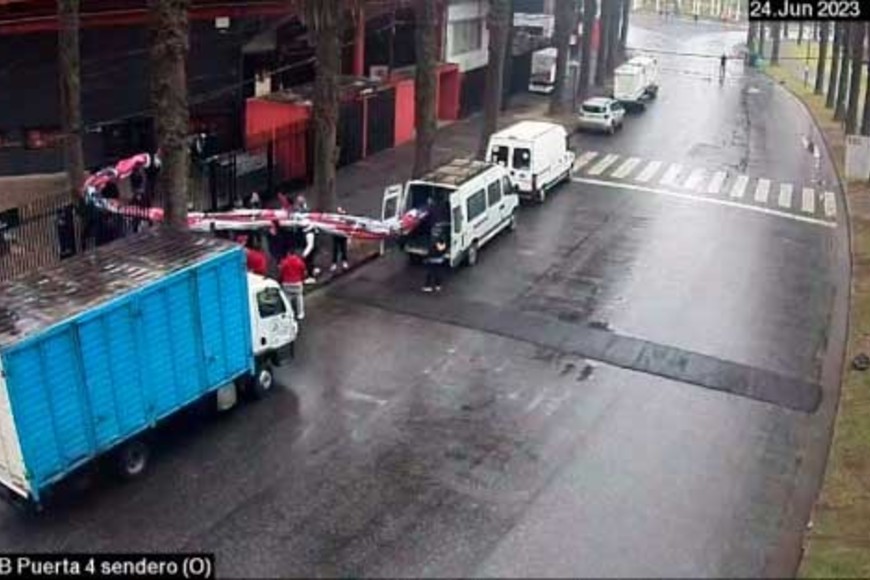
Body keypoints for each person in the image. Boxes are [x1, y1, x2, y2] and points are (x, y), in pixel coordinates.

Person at [279, 249, 307, 320]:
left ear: (288, 253)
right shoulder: (299, 261)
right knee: (299, 297)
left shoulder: (284, 262)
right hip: (297, 282)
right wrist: (302, 280)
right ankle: (300, 313)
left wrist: (281, 280)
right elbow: (303, 272)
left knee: (288, 299)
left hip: (287, 283)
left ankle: (290, 314)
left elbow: (281, 271)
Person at [423, 226, 448, 293]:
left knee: (430, 273)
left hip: (432, 259)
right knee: (438, 272)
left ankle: (428, 286)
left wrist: (426, 258)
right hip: (439, 259)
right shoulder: (442, 240)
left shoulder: (433, 240)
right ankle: (438, 285)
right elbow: (442, 249)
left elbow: (431, 250)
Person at [330, 206, 350, 272]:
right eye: (338, 211)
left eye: (341, 211)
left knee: (343, 249)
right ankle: (334, 263)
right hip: (336, 236)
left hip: (342, 235)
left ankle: (344, 262)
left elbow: (348, 227)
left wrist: (348, 236)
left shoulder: (345, 218)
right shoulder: (335, 218)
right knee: (335, 249)